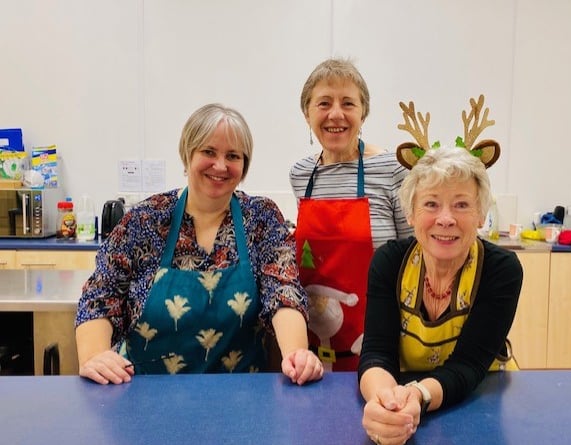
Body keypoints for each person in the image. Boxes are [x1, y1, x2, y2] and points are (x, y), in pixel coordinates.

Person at [75, 103, 323, 385]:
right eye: (208, 152)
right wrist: (94, 355)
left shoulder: (260, 218)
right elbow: (100, 297)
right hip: (146, 397)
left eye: (232, 155)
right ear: (188, 153)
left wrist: (296, 354)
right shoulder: (145, 220)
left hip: (241, 399)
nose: (220, 165)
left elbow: (283, 292)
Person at [358, 147, 523, 445]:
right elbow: (377, 353)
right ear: (410, 213)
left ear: (481, 215)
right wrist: (385, 403)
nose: (445, 219)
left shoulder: (500, 270)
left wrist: (417, 396)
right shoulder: (389, 263)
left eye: (461, 205)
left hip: (479, 402)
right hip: (404, 399)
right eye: (431, 204)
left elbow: (469, 365)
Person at [290, 58, 412, 372]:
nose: (336, 114)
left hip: (380, 336)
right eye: (324, 103)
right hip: (316, 344)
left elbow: (414, 256)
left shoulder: (391, 169)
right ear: (307, 114)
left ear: (362, 113)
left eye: (348, 103)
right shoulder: (301, 174)